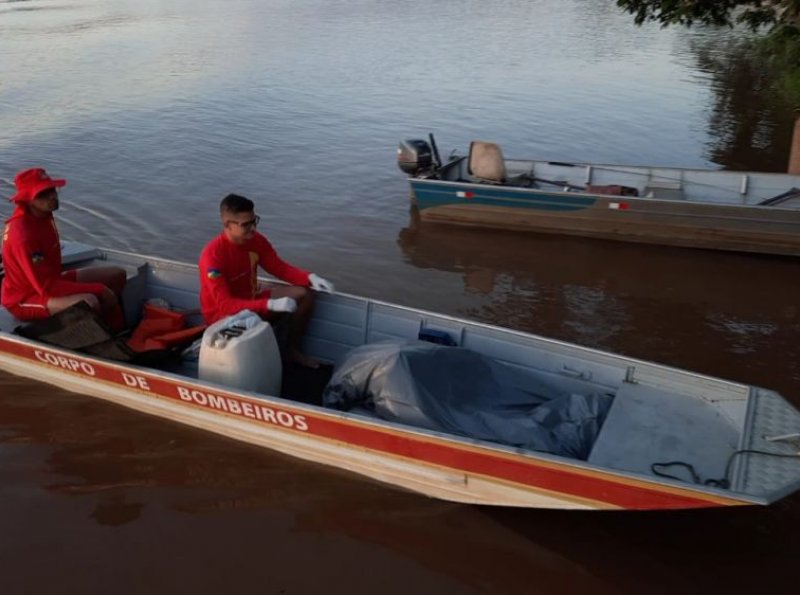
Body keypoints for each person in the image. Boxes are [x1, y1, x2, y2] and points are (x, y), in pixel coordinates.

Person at [199, 193, 334, 367]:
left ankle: (293, 351)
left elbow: (279, 268)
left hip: (252, 298)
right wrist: (270, 305)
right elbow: (226, 305)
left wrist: (310, 277)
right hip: (223, 317)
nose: (253, 228)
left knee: (304, 295)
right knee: (254, 323)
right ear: (227, 225)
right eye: (246, 224)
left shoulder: (256, 240)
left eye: (254, 221)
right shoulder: (212, 257)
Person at [1, 167, 126, 330]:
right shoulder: (23, 236)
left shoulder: (42, 214)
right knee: (89, 301)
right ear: (28, 200)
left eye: (52, 190)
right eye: (42, 194)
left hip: (52, 280)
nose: (52, 196)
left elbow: (50, 279)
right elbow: (45, 288)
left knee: (117, 274)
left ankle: (117, 331)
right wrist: (99, 289)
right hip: (26, 298)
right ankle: (93, 343)